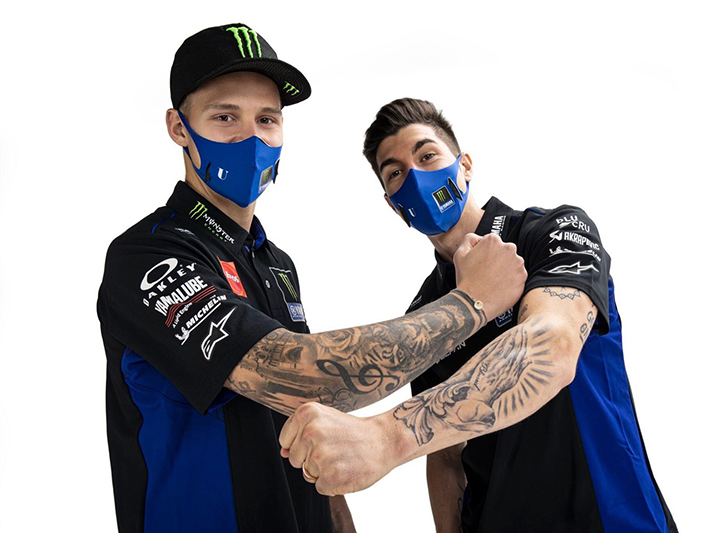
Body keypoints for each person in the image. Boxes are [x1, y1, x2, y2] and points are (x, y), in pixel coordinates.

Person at [96, 27, 527, 533]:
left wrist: (339, 518)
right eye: (225, 117)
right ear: (179, 127)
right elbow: (304, 374)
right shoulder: (148, 256)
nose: (251, 138)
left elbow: (303, 413)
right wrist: (472, 301)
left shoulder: (276, 263)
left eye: (267, 119)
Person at [278, 98, 679, 533]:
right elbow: (447, 458)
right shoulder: (426, 313)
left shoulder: (552, 232)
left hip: (611, 515)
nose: (415, 178)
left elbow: (553, 344)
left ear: (464, 166)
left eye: (427, 156)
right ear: (393, 205)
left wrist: (385, 437)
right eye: (396, 174)